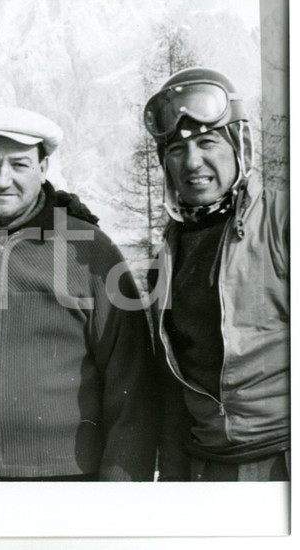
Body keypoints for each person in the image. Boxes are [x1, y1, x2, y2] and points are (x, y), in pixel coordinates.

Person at [0, 107, 158, 481]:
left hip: (68, 481)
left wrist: (122, 493)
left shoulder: (90, 251)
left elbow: (131, 384)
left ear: (44, 168)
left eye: (19, 165)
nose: (2, 179)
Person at [144, 67, 289, 481]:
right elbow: (173, 392)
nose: (193, 162)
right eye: (175, 150)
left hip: (281, 459)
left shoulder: (281, 224)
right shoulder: (168, 256)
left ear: (239, 146)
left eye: (208, 143)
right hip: (207, 466)